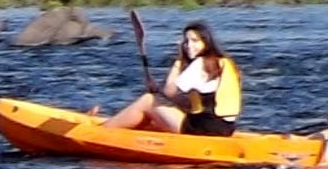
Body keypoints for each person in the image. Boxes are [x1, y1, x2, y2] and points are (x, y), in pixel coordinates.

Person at [95, 21, 241, 135]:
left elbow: (170, 91)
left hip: (204, 128)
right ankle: (122, 125)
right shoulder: (224, 63)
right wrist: (157, 91)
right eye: (186, 41)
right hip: (225, 128)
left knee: (148, 100)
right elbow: (186, 101)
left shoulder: (200, 63)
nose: (189, 46)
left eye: (195, 41)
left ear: (206, 43)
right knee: (160, 100)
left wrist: (178, 60)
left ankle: (102, 131)